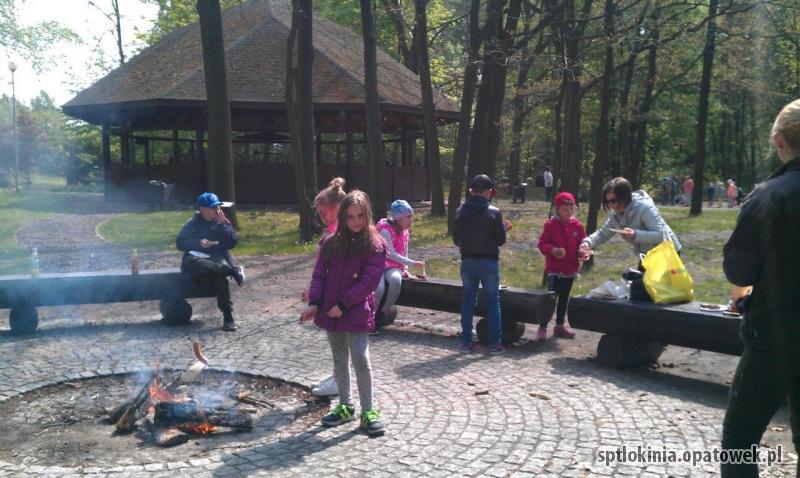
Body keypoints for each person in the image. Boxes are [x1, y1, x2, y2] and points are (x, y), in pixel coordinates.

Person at [720, 98, 800, 477]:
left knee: (740, 438)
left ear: (778, 141)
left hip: (776, 334)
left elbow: (739, 268)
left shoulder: (771, 195)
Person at [300, 190, 387, 437]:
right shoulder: (330, 244)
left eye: (360, 216)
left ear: (367, 214)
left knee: (360, 358)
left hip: (356, 311)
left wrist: (345, 305)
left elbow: (368, 283)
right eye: (350, 217)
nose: (356, 222)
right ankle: (345, 405)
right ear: (343, 217)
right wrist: (315, 303)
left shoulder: (375, 245)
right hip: (330, 310)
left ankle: (368, 410)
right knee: (339, 358)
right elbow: (319, 275)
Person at [453, 174, 511, 354]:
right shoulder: (494, 212)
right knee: (493, 302)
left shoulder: (460, 211)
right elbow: (500, 240)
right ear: (488, 192)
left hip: (468, 261)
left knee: (468, 301)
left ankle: (467, 342)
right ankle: (494, 343)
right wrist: (503, 227)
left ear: (471, 191)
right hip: (489, 262)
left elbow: (456, 239)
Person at [176, 192, 245, 332]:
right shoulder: (192, 223)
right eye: (212, 207)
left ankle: (228, 317)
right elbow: (180, 243)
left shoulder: (221, 221)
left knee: (219, 276)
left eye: (217, 206)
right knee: (192, 261)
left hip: (216, 262)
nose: (216, 210)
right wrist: (198, 243)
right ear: (202, 209)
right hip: (197, 264)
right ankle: (232, 271)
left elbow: (232, 242)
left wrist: (222, 225)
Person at [304, 178, 347, 397]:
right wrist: (313, 293)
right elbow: (321, 268)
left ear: (337, 208)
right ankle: (337, 375)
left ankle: (340, 382)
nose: (321, 217)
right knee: (335, 340)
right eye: (319, 213)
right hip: (329, 293)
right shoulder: (331, 230)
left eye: (324, 212)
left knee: (340, 340)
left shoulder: (341, 234)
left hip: (339, 298)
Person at [579, 177, 681, 262]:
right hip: (647, 254)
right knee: (639, 285)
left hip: (668, 252)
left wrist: (635, 234)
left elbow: (660, 235)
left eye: (613, 201)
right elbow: (602, 234)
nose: (610, 205)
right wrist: (587, 243)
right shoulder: (616, 215)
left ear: (624, 196)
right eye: (608, 201)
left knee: (652, 286)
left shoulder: (644, 208)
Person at [536, 192, 587, 341]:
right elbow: (542, 244)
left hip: (570, 269)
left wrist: (583, 253)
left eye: (571, 209)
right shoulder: (550, 224)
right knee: (551, 298)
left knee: (564, 298)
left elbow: (582, 245)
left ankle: (559, 325)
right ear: (557, 209)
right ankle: (543, 326)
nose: (568, 212)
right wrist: (553, 250)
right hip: (554, 269)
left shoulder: (578, 226)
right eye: (565, 209)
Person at [374, 199, 425, 328]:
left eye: (411, 217)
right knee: (379, 289)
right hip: (377, 263)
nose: (411, 220)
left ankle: (384, 311)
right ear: (399, 218)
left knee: (396, 280)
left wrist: (406, 268)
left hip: (394, 266)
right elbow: (390, 254)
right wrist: (413, 263)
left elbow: (404, 251)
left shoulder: (405, 231)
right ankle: (370, 317)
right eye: (408, 217)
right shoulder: (385, 230)